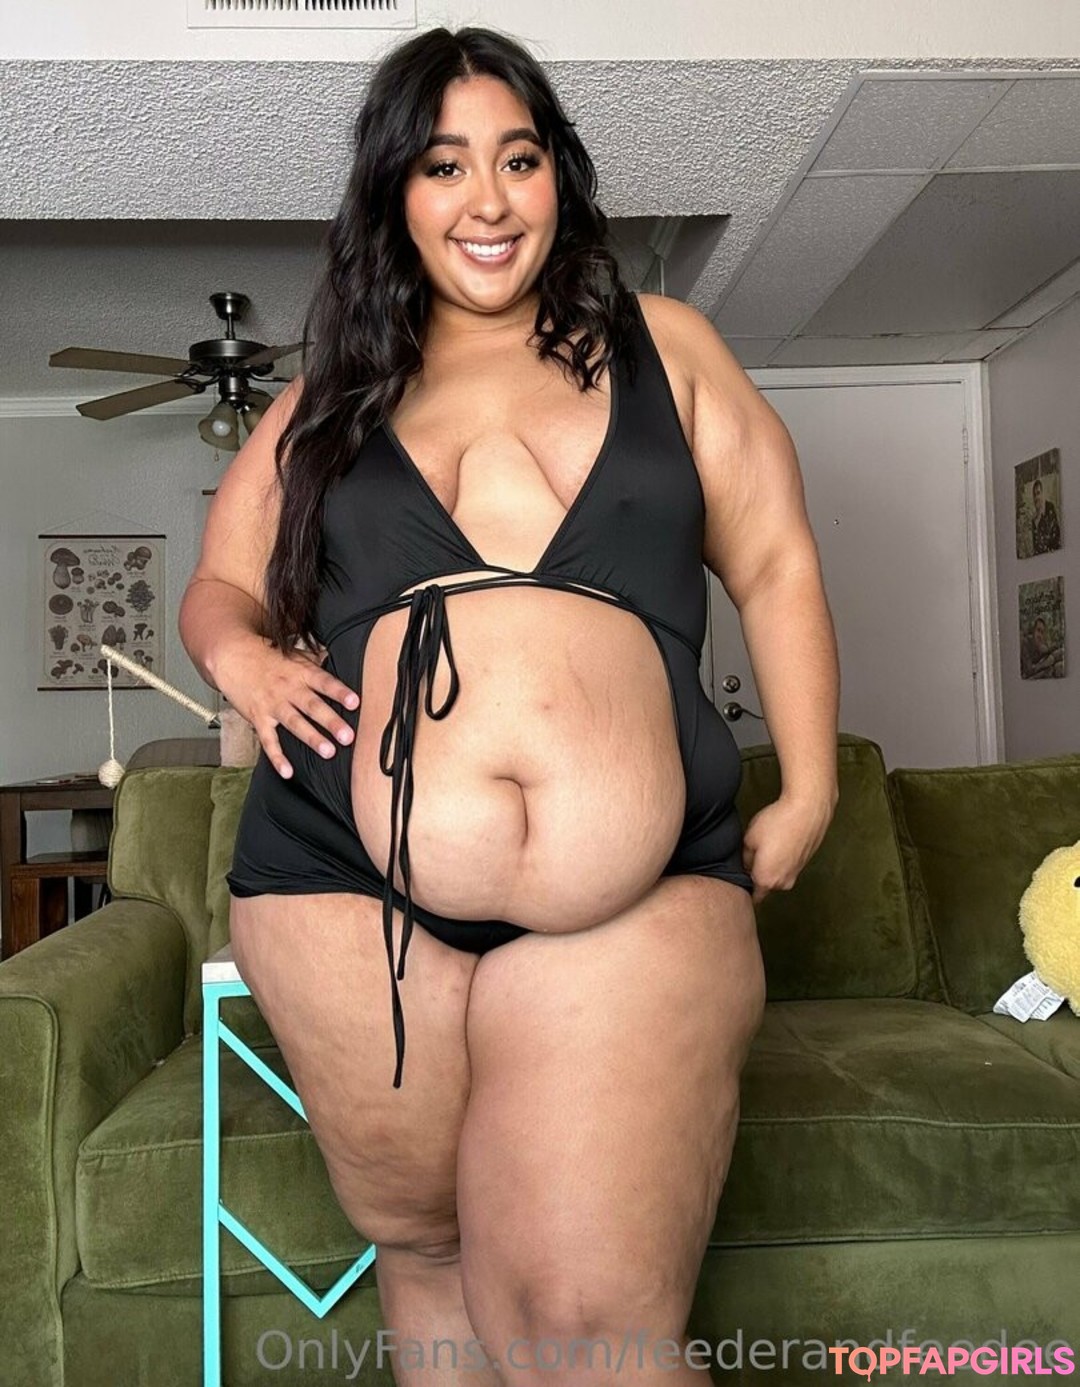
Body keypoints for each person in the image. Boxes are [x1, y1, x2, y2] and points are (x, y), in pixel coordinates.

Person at [179, 24, 839, 1386]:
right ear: (394, 195)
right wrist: (243, 662)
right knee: (428, 1255)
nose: (487, 200)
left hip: (641, 882)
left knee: (587, 1329)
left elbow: (776, 560)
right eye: (443, 166)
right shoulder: (326, 400)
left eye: (518, 159)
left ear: (558, 177)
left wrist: (814, 785)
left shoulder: (666, 347)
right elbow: (221, 591)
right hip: (339, 881)